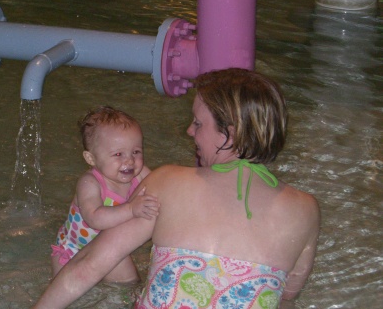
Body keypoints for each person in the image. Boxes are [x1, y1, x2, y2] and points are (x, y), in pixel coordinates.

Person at [33, 68, 320, 309]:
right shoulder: (305, 209)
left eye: (198, 123)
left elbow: (88, 264)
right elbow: (287, 294)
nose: (189, 131)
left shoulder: (167, 181)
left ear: (229, 134)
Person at [50, 106, 159, 283]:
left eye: (136, 152)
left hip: (109, 246)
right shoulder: (90, 183)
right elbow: (95, 218)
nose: (129, 160)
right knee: (64, 293)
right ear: (91, 159)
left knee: (130, 285)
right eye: (118, 154)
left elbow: (161, 187)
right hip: (73, 249)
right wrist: (131, 209)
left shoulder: (139, 173)